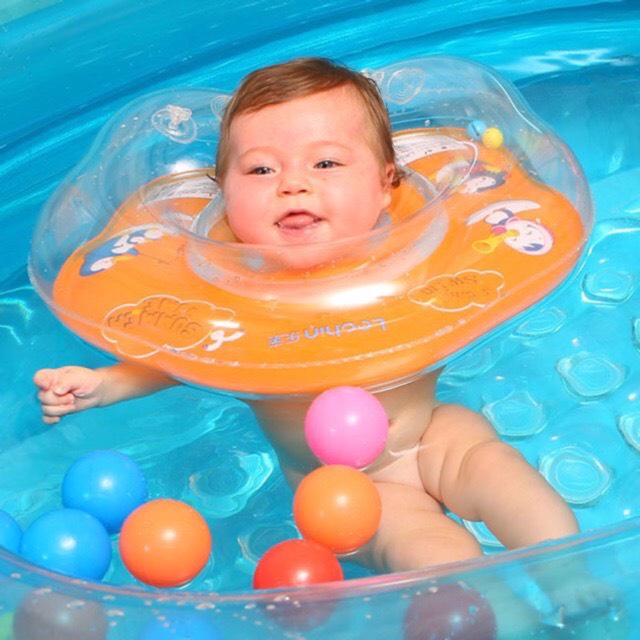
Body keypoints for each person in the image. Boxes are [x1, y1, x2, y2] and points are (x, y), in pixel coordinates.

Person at [34, 58, 612, 617]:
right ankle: (508, 617)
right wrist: (103, 385)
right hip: (347, 488)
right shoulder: (226, 295)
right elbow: (180, 349)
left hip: (429, 435)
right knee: (435, 555)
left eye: (326, 163)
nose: (293, 185)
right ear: (223, 197)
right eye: (261, 171)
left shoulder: (416, 255)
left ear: (386, 184)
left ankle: (570, 577)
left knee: (496, 470)